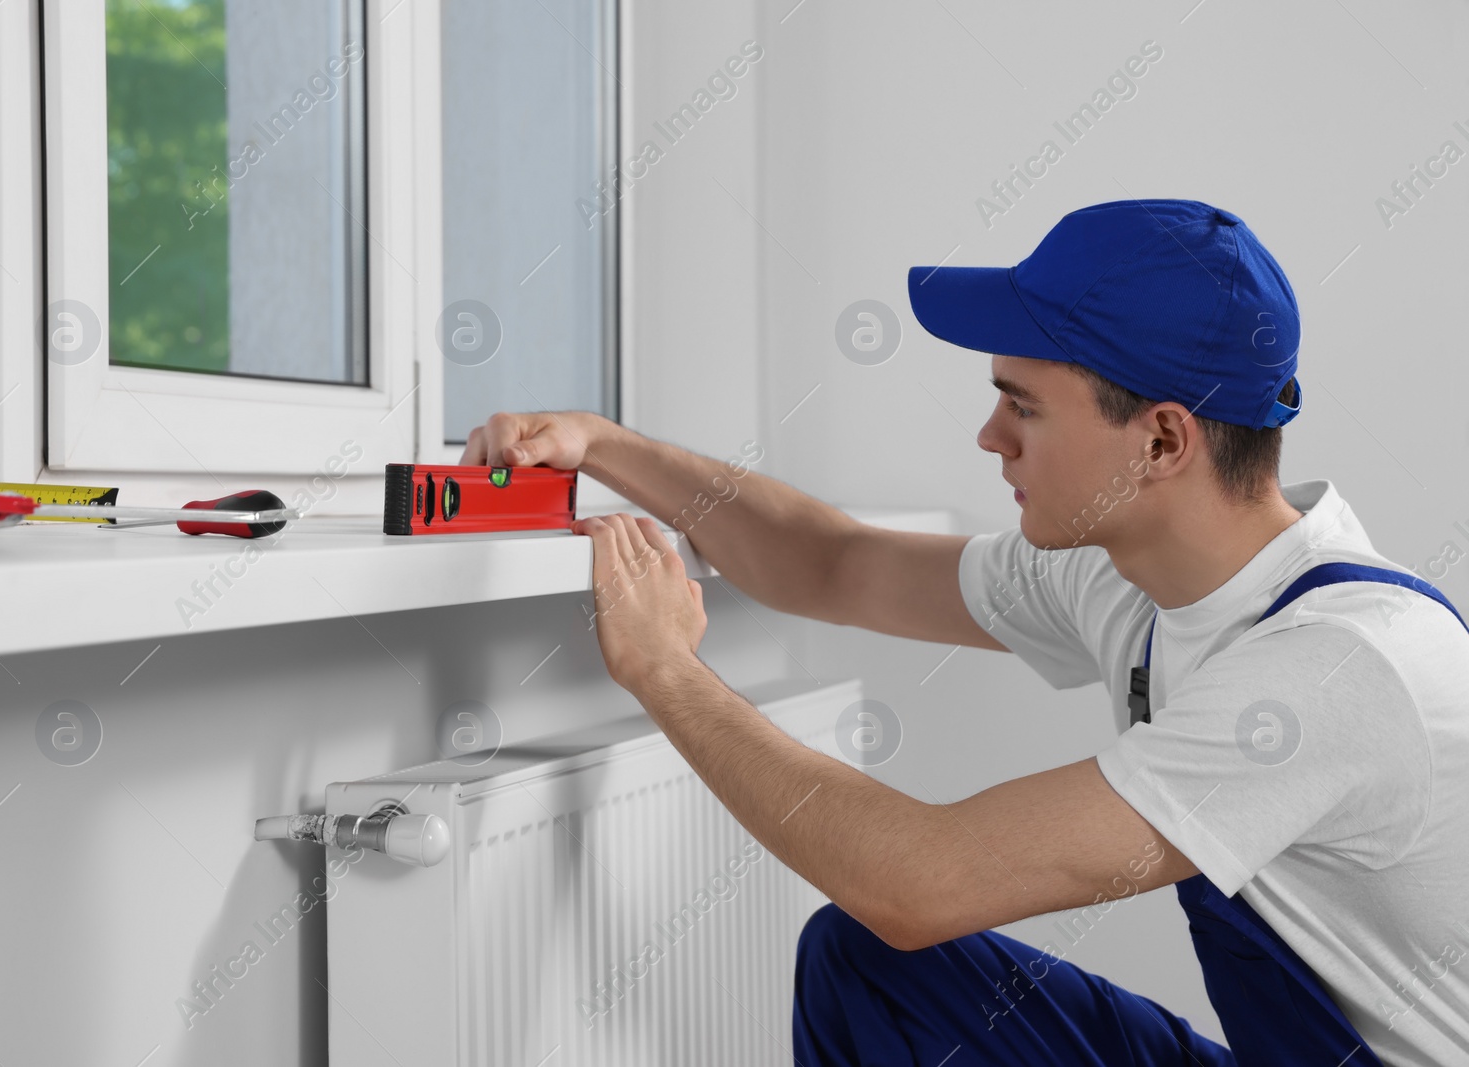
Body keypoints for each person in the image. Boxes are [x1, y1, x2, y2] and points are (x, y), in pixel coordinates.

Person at [459, 199, 1469, 1066]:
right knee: (875, 968)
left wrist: (663, 671)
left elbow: (919, 881)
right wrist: (601, 444)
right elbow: (830, 562)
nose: (990, 438)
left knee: (892, 917)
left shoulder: (1333, 670)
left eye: (1021, 407)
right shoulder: (1131, 577)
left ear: (1161, 437)